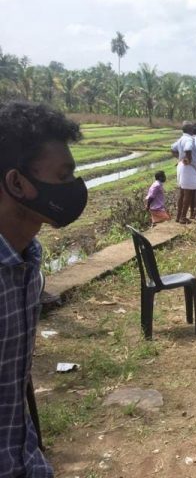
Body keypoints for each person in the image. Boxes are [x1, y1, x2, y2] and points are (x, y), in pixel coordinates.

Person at [0, 101, 88, 478]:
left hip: (25, 459)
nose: (73, 189)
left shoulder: (27, 262)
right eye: (63, 176)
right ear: (18, 183)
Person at [171, 121, 196, 224]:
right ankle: (183, 217)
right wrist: (188, 159)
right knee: (188, 193)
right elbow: (188, 148)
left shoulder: (181, 138)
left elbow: (172, 148)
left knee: (182, 193)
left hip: (182, 166)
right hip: (188, 167)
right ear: (191, 130)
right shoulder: (189, 139)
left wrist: (179, 158)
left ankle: (178, 216)